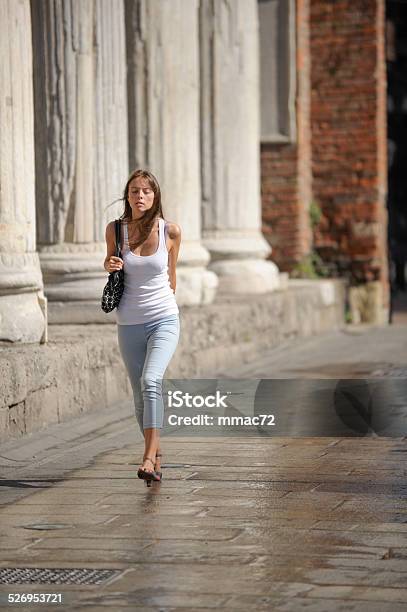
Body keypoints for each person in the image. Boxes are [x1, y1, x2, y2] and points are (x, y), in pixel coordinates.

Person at [104, 169, 181, 484]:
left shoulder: (170, 232)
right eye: (134, 191)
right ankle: (157, 454)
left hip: (164, 318)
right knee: (139, 394)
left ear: (155, 196)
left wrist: (162, 304)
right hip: (129, 322)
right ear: (128, 196)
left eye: (146, 191)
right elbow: (110, 263)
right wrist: (108, 263)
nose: (140, 196)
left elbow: (172, 278)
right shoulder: (116, 230)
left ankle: (148, 457)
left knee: (151, 380)